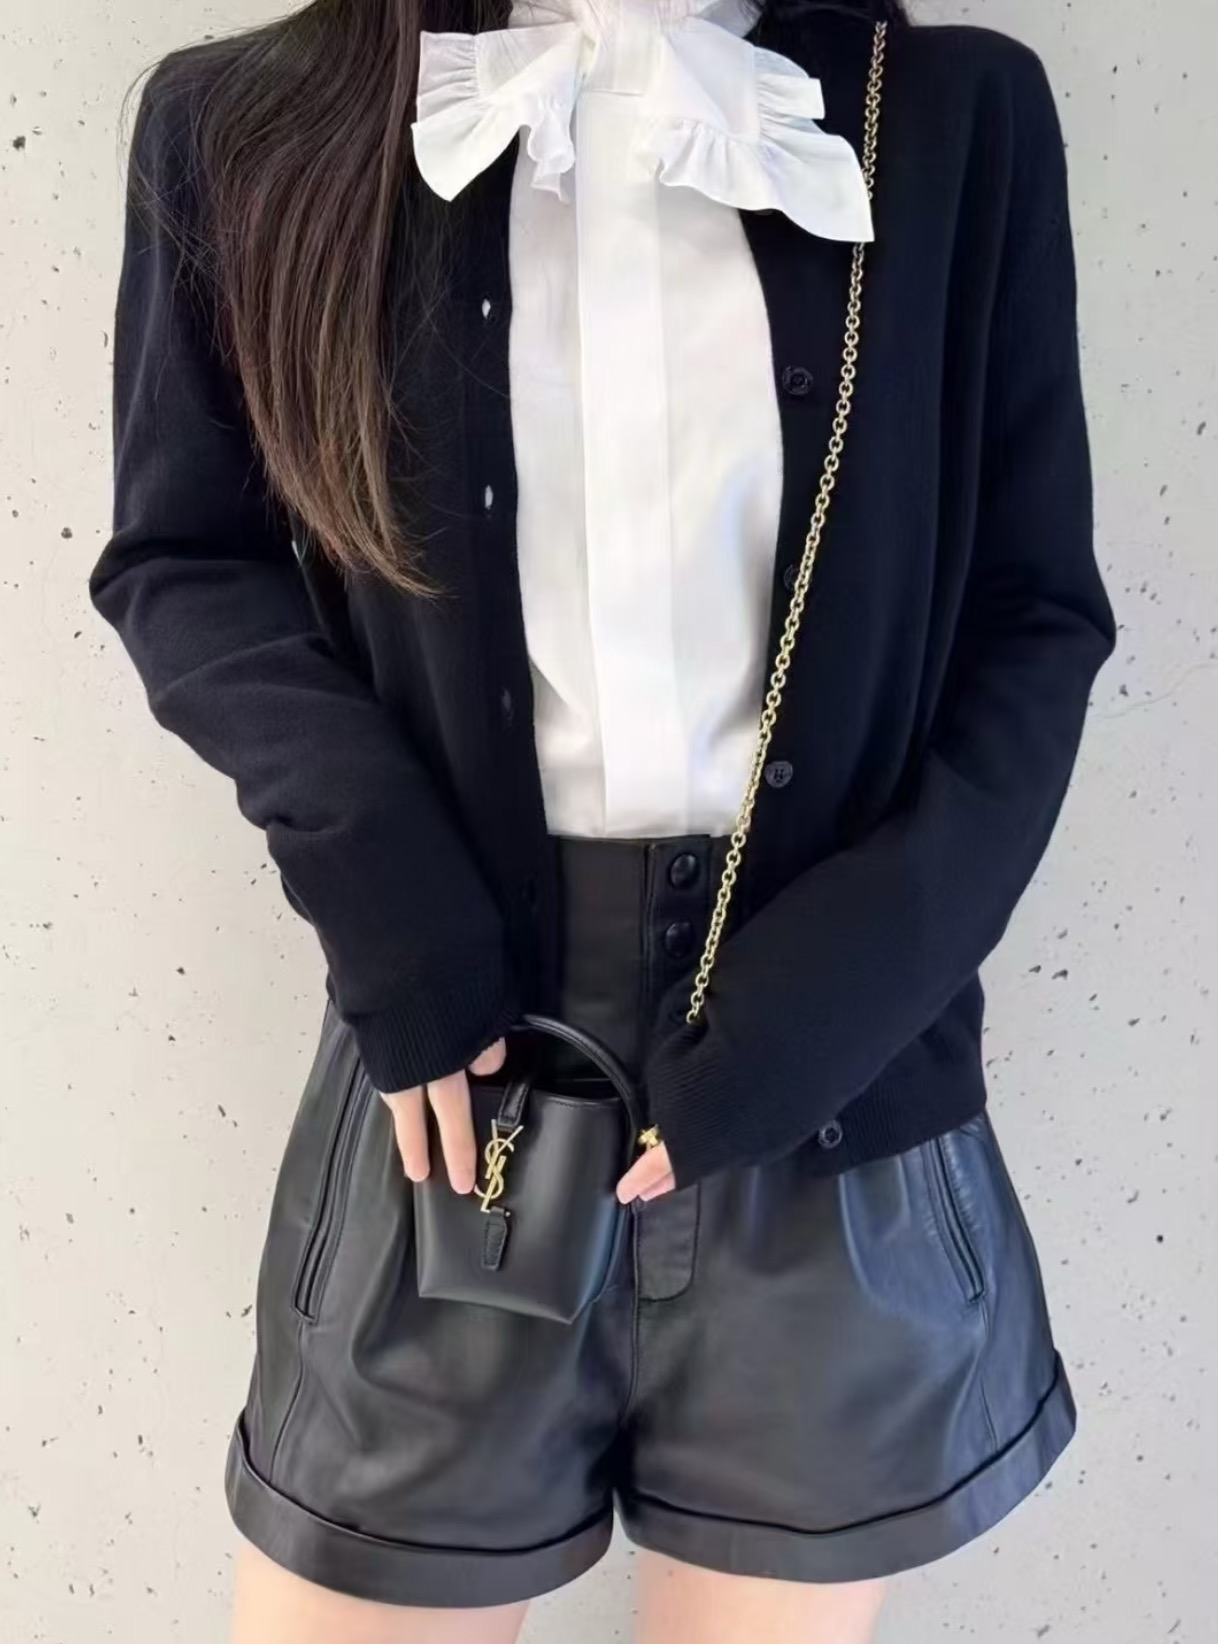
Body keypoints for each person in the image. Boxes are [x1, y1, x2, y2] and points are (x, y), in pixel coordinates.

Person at [89, 0, 1116, 1637]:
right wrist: (382, 889)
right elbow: (183, 560)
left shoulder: (945, 116)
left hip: (835, 1086)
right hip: (452, 1078)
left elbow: (1033, 614)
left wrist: (857, 981)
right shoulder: (250, 123)